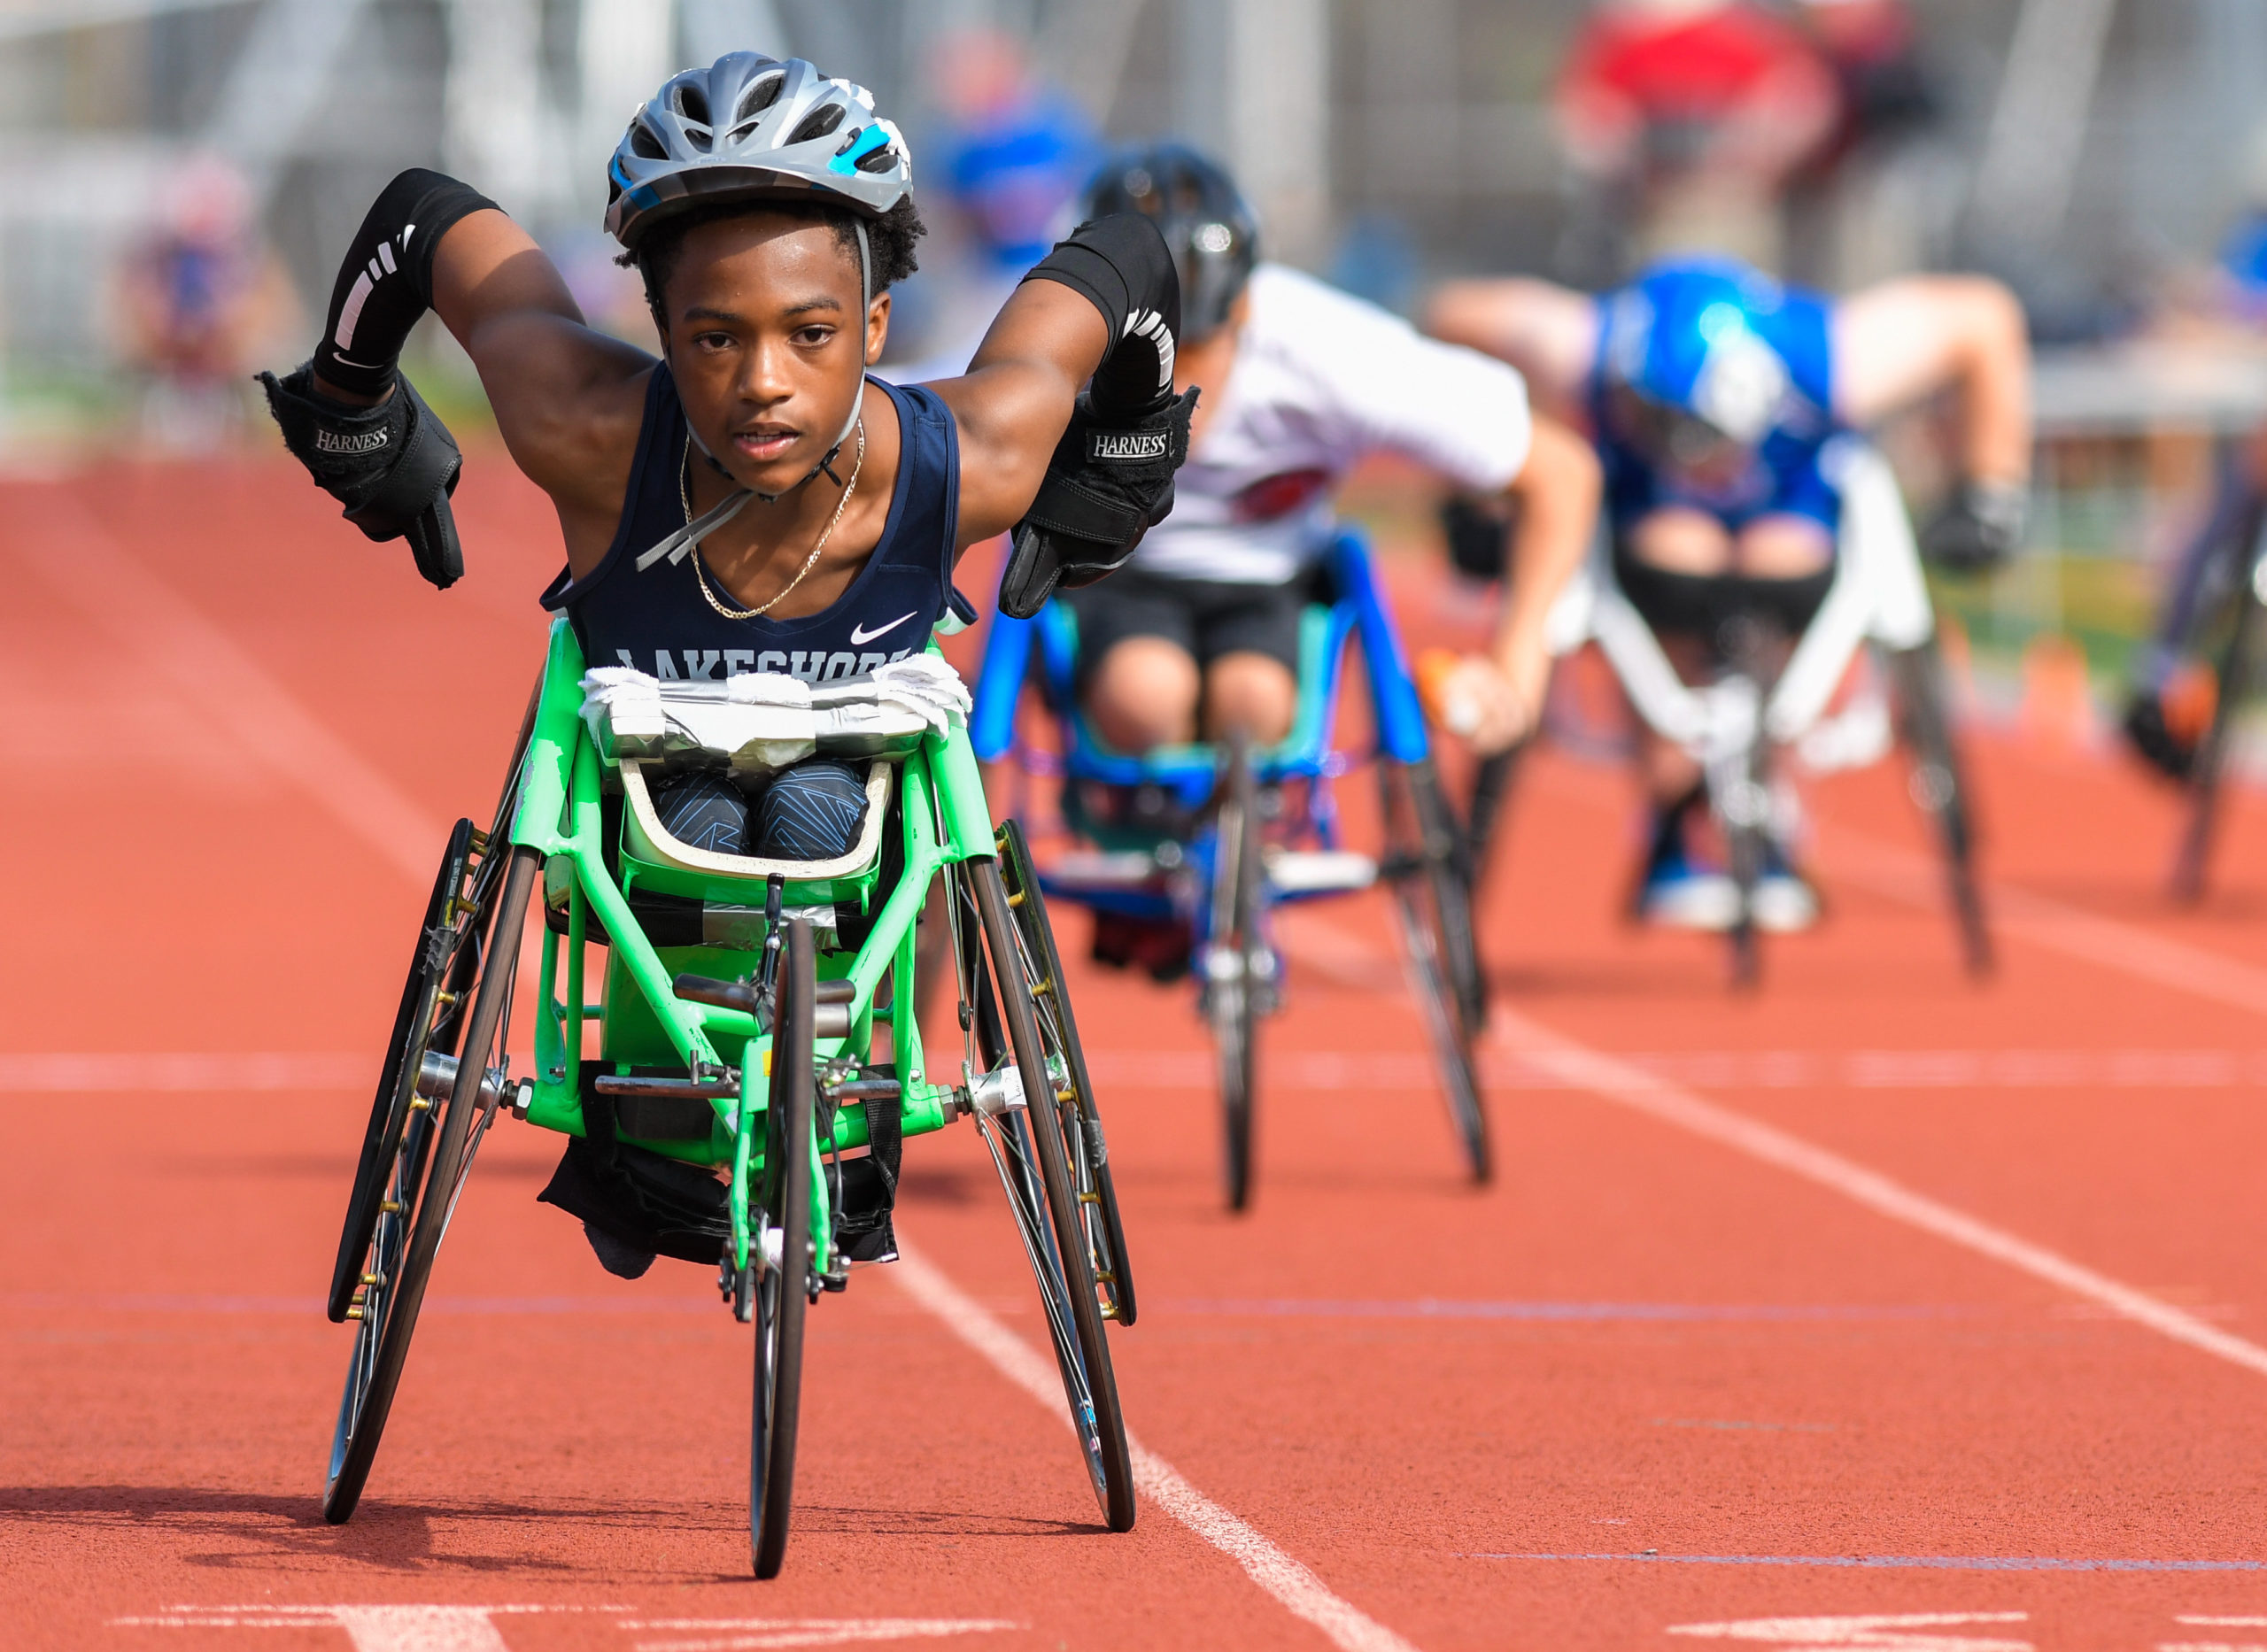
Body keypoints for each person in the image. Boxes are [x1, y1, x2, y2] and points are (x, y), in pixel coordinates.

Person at [258, 52, 1194, 1276]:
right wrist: (347, 400)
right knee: (697, 818)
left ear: (873, 323)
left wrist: (1123, 457)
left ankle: (837, 1107)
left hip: (858, 817)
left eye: (811, 334)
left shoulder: (979, 453)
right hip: (649, 817)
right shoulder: (586, 427)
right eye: (714, 337)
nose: (763, 382)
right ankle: (646, 1124)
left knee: (814, 820)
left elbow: (1130, 258)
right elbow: (426, 217)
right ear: (659, 328)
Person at [1048, 146, 1600, 973]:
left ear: (1243, 312)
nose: (1179, 382)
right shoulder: (1044, 338)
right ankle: (1139, 818)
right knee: (1144, 700)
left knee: (1257, 707)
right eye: (1147, 356)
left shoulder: (1334, 354)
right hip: (1120, 573)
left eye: (1198, 349)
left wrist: (1520, 671)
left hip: (1270, 579)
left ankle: (1233, 840)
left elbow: (1561, 472)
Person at [1428, 254, 2031, 929]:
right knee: (1674, 555)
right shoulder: (1583, 345)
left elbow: (1985, 317)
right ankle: (1675, 809)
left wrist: (1991, 489)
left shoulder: (1833, 355)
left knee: (1779, 563)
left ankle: (1765, 803)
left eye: (1695, 439)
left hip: (1791, 511)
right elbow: (1453, 314)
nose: (1687, 456)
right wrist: (1472, 484)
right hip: (1647, 522)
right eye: (1654, 423)